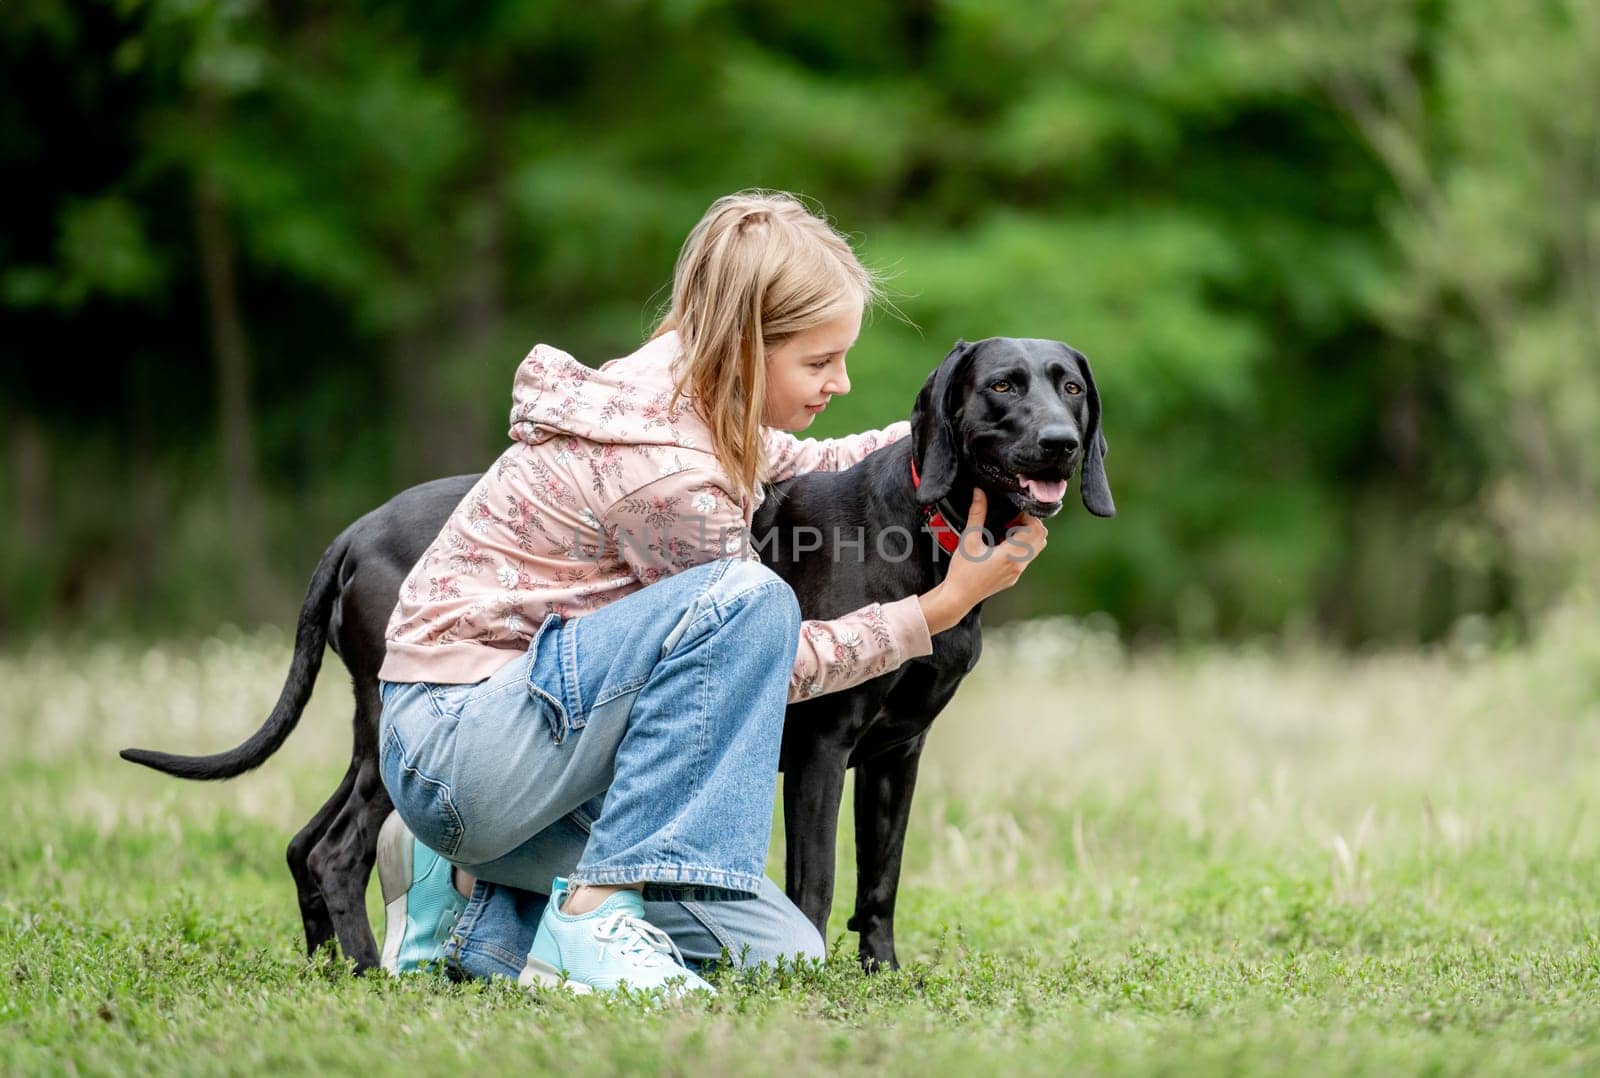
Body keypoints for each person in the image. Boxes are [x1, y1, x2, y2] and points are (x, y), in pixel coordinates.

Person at [374, 190, 1045, 995]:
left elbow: (800, 460)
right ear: (745, 346)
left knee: (783, 955)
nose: (841, 380)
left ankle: (455, 891)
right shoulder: (670, 474)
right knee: (752, 600)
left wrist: (947, 443)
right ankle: (587, 919)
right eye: (819, 361)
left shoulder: (695, 392)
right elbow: (761, 663)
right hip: (467, 745)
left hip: (536, 745)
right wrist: (941, 607)